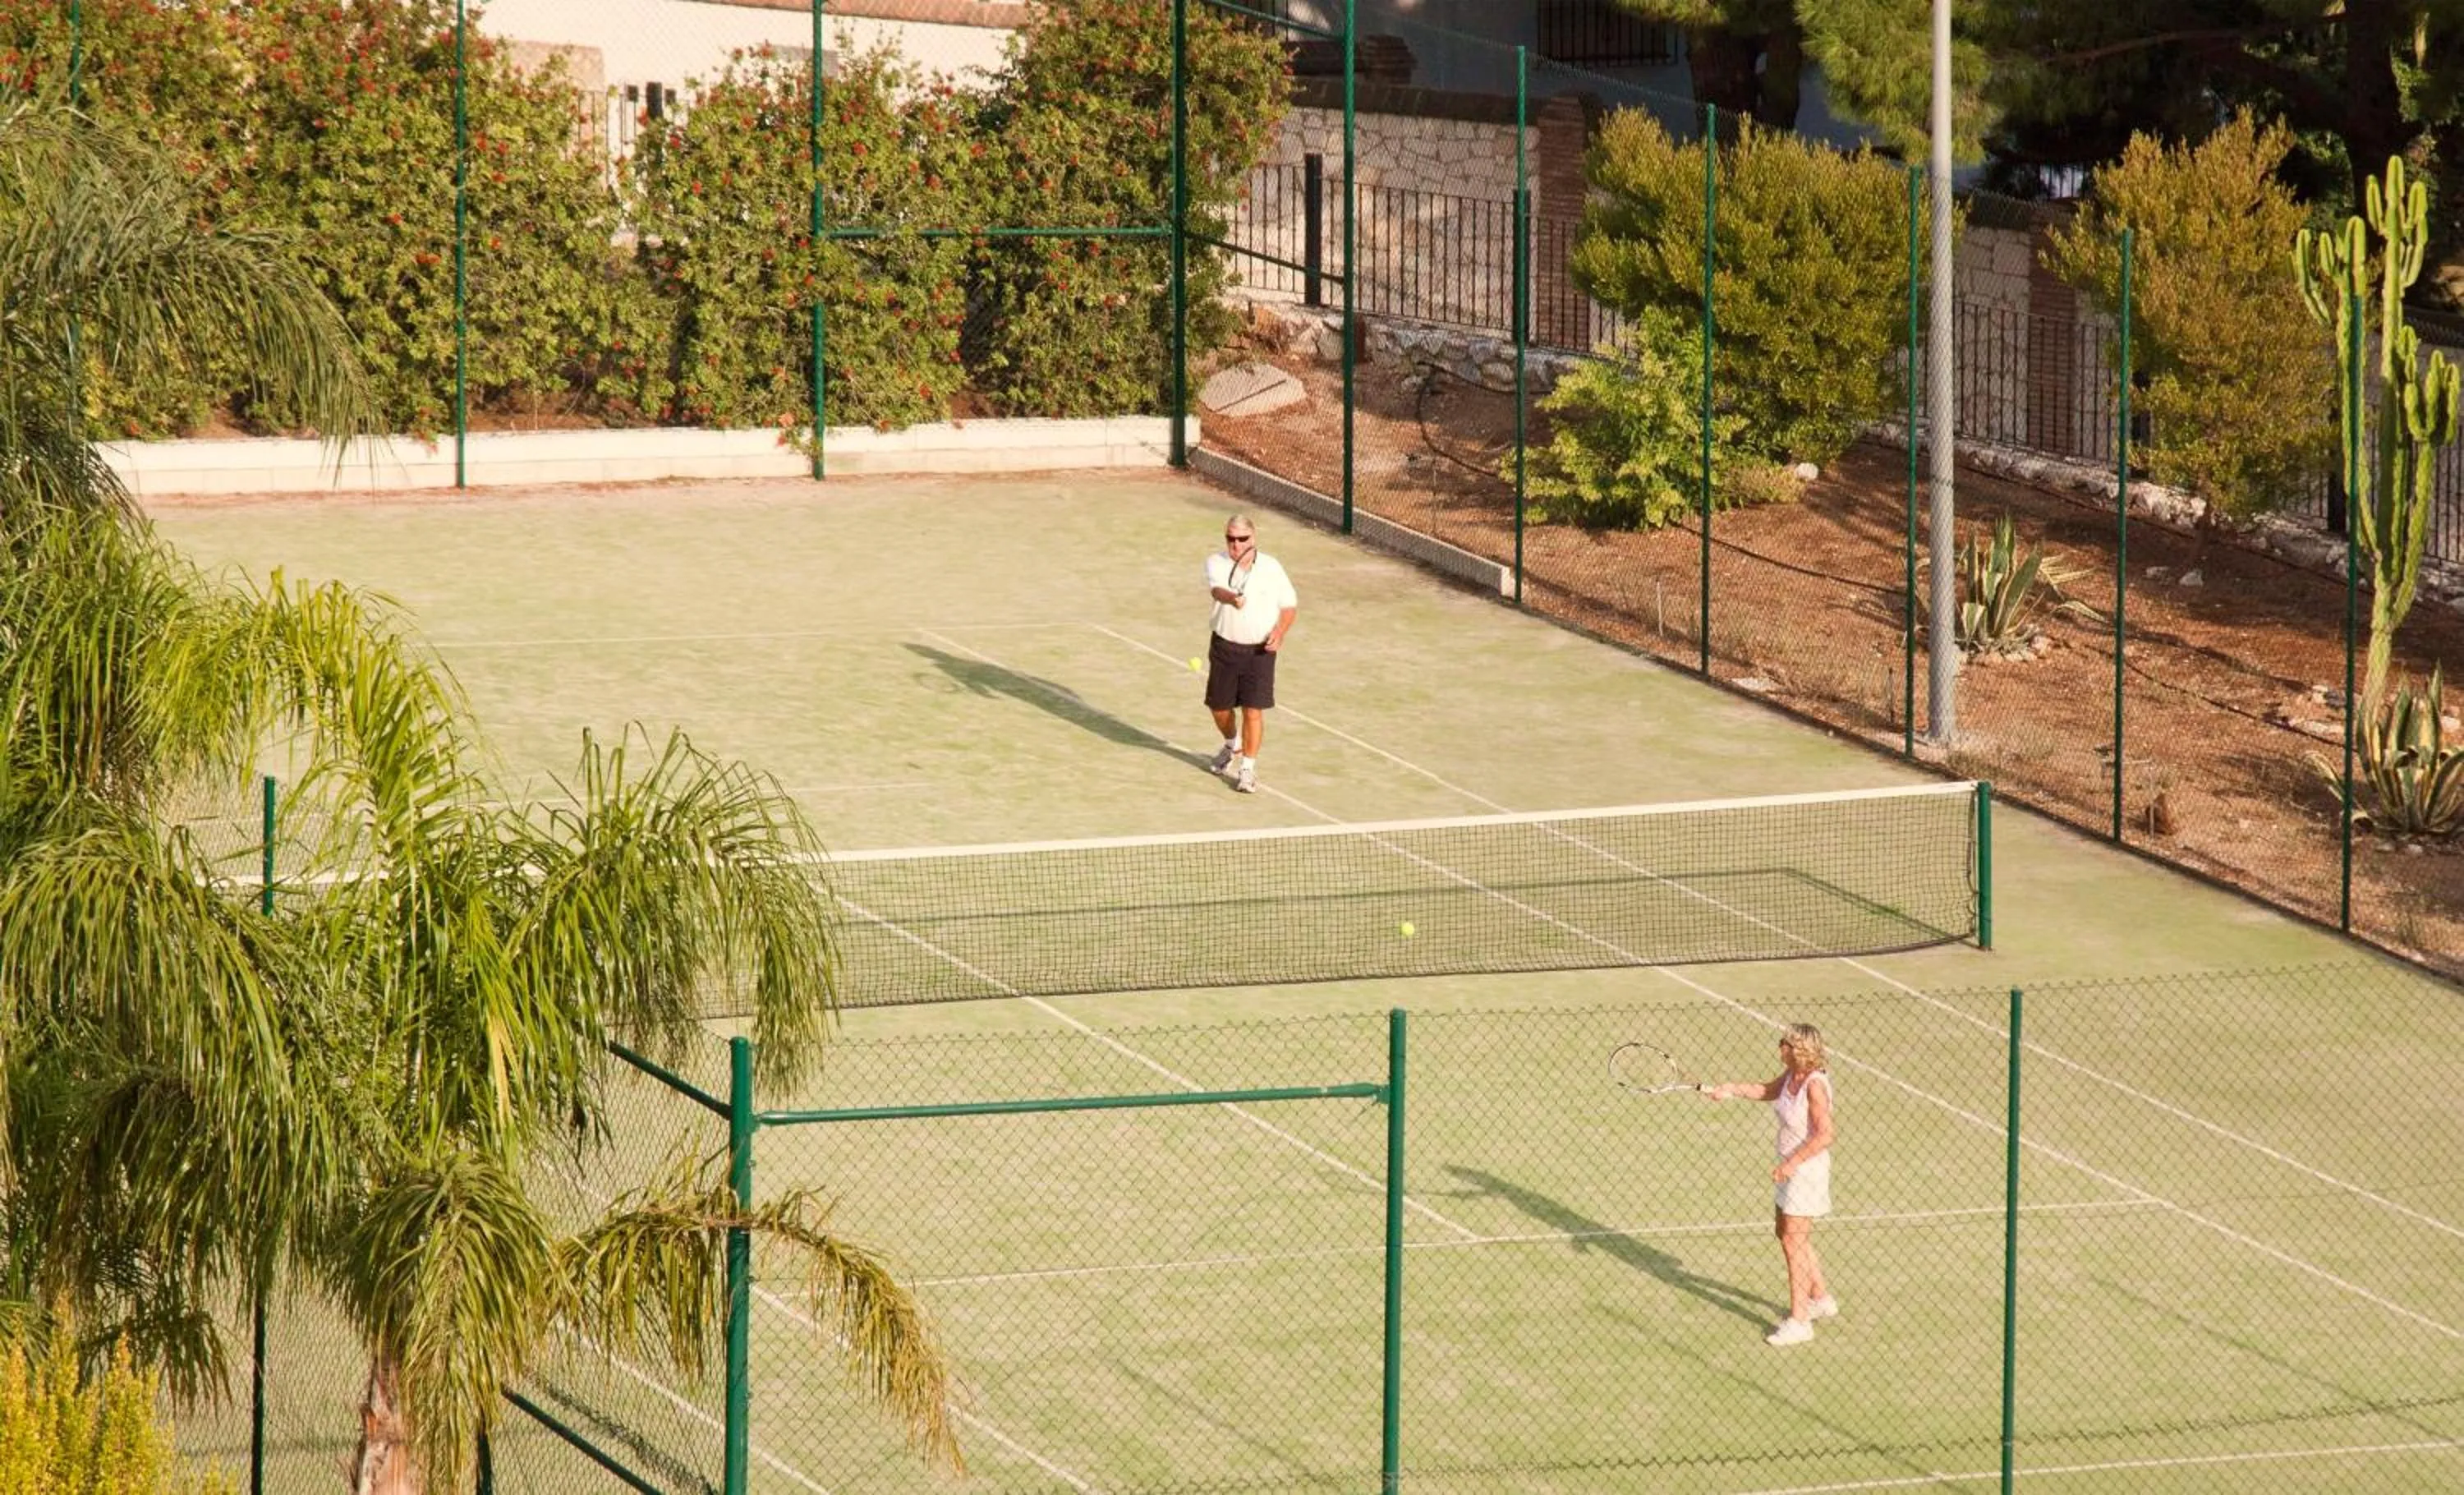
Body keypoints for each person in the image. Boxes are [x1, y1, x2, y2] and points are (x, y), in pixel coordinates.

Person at [1705, 1024, 1836, 1346]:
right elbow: (1766, 1091)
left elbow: (1826, 1134)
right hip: (1790, 1170)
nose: (1779, 1048)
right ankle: (1820, 1298)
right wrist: (1730, 1088)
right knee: (1787, 1233)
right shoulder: (1792, 1076)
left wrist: (1791, 1163)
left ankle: (1800, 1321)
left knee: (1793, 1241)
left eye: (1784, 1044)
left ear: (1798, 1050)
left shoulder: (1815, 1085)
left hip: (1805, 1171)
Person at [1202, 514, 1297, 794]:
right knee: (1219, 709)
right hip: (1225, 647)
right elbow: (1218, 591)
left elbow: (1289, 606)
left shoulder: (1272, 567)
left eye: (1242, 539)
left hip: (1260, 652)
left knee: (1253, 711)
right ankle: (1233, 746)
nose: (1236, 544)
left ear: (1253, 539)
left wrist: (1280, 632)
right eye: (1230, 539)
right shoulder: (1216, 563)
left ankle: (1248, 769)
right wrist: (1232, 598)